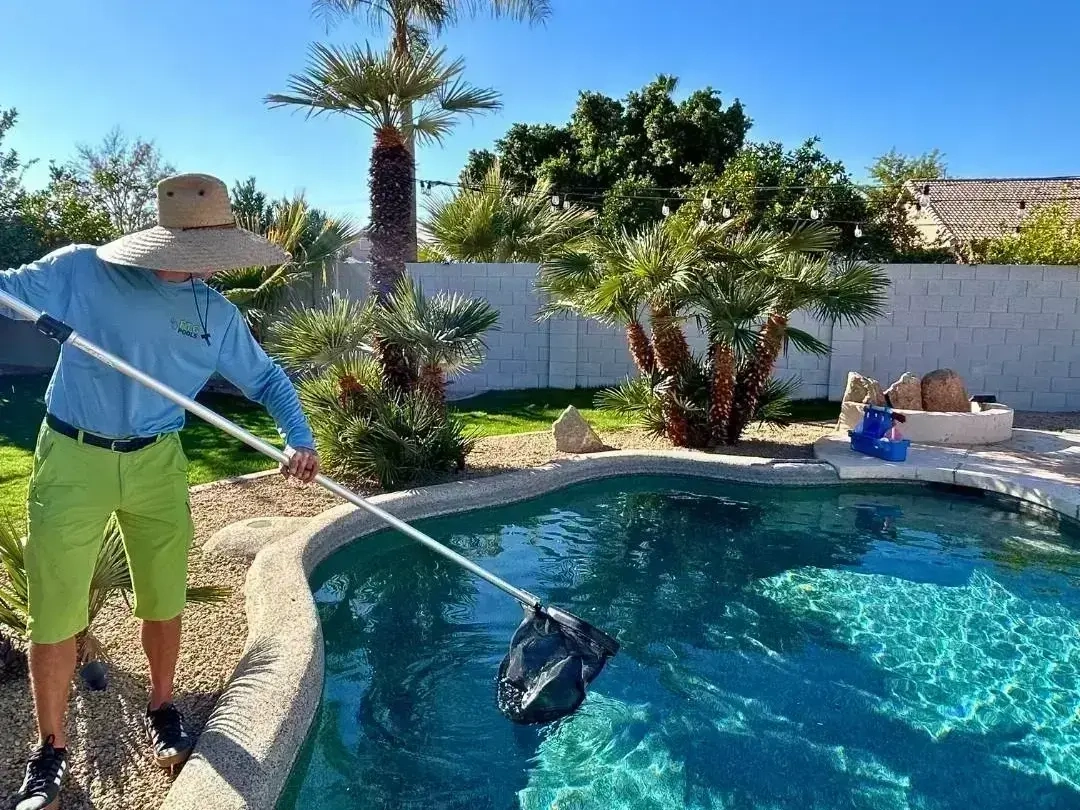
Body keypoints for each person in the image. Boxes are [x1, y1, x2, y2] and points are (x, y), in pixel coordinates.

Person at [0, 173, 320, 810]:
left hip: (158, 461)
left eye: (207, 259)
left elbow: (269, 381)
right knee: (55, 610)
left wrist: (298, 438)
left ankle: (163, 704)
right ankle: (51, 751)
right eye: (185, 256)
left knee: (163, 594)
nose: (195, 270)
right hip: (73, 456)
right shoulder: (81, 271)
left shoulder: (216, 314)